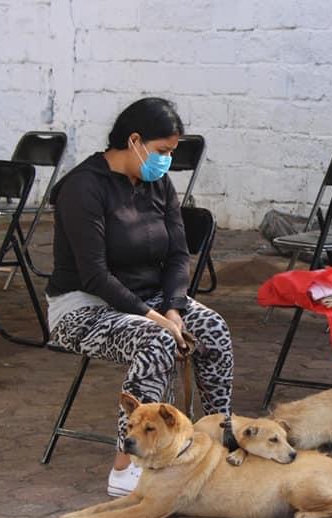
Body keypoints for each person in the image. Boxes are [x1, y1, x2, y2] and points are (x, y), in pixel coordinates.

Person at [45, 97, 233, 495]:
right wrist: (154, 317)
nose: (166, 162)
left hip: (152, 301)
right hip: (84, 306)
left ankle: (218, 440)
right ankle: (127, 465)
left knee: (213, 329)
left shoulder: (157, 183)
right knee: (157, 341)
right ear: (134, 141)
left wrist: (175, 307)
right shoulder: (83, 188)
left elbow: (178, 254)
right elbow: (95, 274)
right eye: (162, 152)